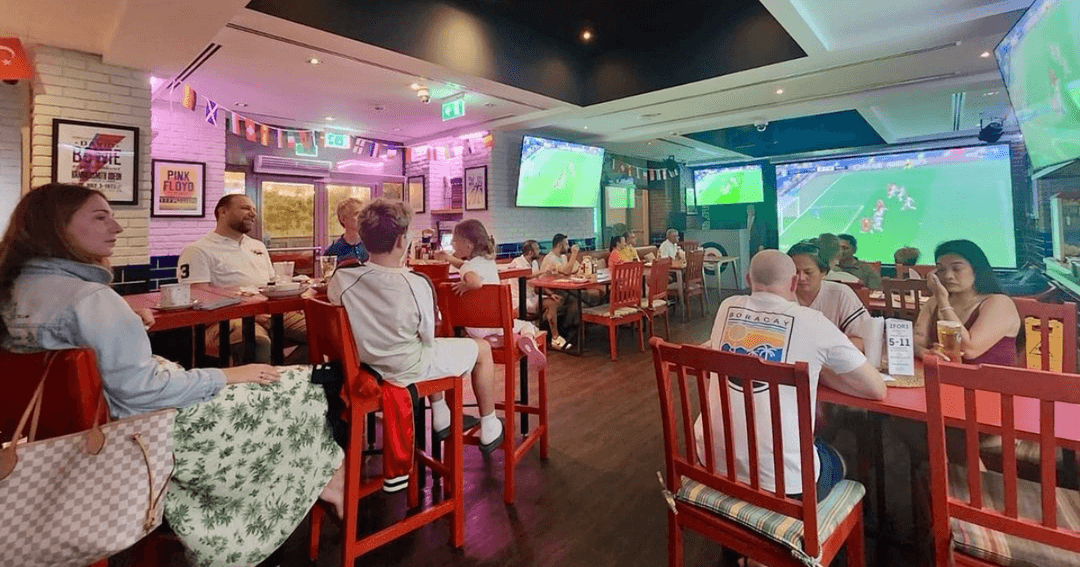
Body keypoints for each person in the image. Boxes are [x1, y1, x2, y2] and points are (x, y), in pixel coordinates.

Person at [0, 184, 344, 566]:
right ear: (55, 227)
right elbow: (143, 391)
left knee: (291, 377)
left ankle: (316, 477)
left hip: (64, 432)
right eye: (101, 217)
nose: (116, 227)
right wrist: (229, 377)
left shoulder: (16, 289)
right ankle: (307, 487)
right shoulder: (90, 298)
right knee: (305, 386)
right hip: (138, 434)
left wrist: (124, 320)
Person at [695, 250, 886, 501]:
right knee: (845, 452)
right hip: (789, 486)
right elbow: (877, 389)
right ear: (794, 283)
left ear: (747, 279)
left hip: (711, 462)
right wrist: (819, 370)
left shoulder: (726, 307)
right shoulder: (812, 321)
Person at [329, 199, 505, 453]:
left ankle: (442, 414)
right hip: (408, 368)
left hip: (365, 365)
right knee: (481, 349)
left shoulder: (342, 278)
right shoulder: (417, 283)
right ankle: (490, 426)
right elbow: (427, 336)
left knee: (430, 348)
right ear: (402, 242)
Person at [177, 194, 306, 362]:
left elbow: (272, 284)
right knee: (256, 342)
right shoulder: (197, 250)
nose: (253, 214)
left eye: (254, 209)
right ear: (222, 212)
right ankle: (261, 383)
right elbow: (198, 298)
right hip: (225, 319)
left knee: (331, 333)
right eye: (245, 208)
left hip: (270, 312)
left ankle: (283, 377)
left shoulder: (257, 246)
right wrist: (247, 311)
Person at [440, 219, 548, 368]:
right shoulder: (488, 262)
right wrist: (449, 259)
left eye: (455, 241)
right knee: (526, 325)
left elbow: (475, 281)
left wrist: (466, 285)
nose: (452, 244)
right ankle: (526, 339)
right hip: (497, 324)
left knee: (499, 331)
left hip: (475, 328)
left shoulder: (468, 268)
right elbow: (468, 270)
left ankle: (497, 340)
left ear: (468, 244)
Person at [914, 240, 1020, 366]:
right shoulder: (934, 302)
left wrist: (943, 301)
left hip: (990, 383)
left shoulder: (1000, 303)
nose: (948, 276)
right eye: (941, 269)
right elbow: (915, 342)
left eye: (957, 268)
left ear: (976, 270)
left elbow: (969, 350)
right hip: (947, 379)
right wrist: (925, 353)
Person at [787, 241, 871, 351]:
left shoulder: (840, 293)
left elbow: (862, 340)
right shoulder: (780, 294)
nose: (801, 278)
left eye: (808, 272)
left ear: (824, 273)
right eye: (796, 272)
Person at [509, 240, 571, 351]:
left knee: (555, 302)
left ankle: (549, 336)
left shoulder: (534, 263)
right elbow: (525, 277)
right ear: (530, 252)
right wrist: (544, 271)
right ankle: (552, 336)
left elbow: (538, 282)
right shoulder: (517, 262)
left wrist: (551, 294)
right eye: (537, 249)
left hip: (532, 297)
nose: (539, 251)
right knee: (550, 306)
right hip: (519, 300)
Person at [323, 196, 370, 264]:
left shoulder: (372, 247)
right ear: (343, 219)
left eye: (363, 214)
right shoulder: (332, 252)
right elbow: (328, 273)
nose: (362, 217)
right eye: (357, 213)